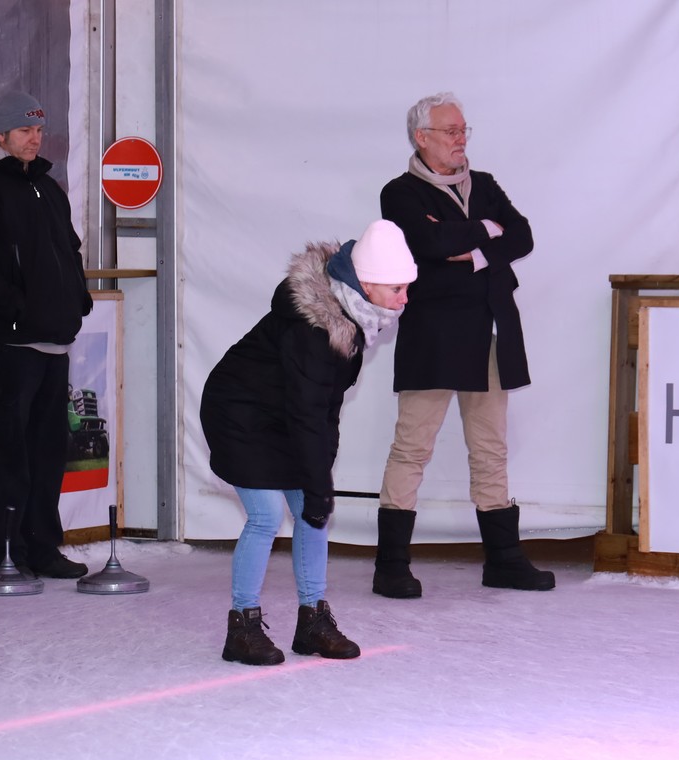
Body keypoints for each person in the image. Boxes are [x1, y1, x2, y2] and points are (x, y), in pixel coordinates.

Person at [200, 220, 415, 665]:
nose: (404, 299)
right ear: (367, 284)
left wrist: (320, 483)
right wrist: (318, 485)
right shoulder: (313, 328)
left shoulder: (354, 317)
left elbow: (325, 407)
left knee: (312, 514)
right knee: (266, 515)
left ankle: (312, 621)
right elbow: (309, 410)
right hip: (239, 413)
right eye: (397, 288)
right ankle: (241, 626)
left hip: (284, 414)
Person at [374, 91, 554, 598]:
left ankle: (504, 560)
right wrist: (486, 232)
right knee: (412, 448)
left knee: (490, 448)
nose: (461, 139)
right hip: (433, 337)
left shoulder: (486, 184)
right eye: (450, 131)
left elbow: (522, 236)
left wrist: (472, 252)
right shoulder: (400, 193)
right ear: (421, 137)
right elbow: (428, 245)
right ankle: (391, 565)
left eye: (463, 130)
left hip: (492, 332)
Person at [0, 91, 93, 579]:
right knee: (10, 456)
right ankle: (4, 555)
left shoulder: (48, 187)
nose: (35, 138)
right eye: (25, 130)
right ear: (1, 135)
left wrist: (77, 298)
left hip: (54, 341)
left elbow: (70, 250)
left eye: (39, 129)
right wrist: (18, 307)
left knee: (48, 453)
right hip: (9, 345)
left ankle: (43, 549)